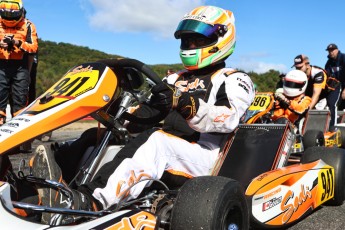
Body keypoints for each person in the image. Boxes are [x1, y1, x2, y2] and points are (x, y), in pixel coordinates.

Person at [29, 5, 255, 223]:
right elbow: (148, 113)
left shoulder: (234, 79)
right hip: (172, 146)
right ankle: (50, 187)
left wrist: (186, 103)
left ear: (222, 38)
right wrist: (119, 114)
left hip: (206, 155)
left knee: (156, 140)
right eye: (188, 40)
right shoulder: (175, 79)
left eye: (199, 39)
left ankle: (89, 203)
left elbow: (229, 118)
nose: (191, 44)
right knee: (95, 135)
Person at [0, 0, 38, 125]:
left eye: (13, 15)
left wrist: (18, 43)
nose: (9, 19)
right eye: (7, 15)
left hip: (20, 67)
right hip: (1, 66)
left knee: (20, 105)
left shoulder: (28, 25)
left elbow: (33, 48)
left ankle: (19, 138)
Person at [291, 54, 339, 126]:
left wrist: (307, 109)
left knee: (331, 104)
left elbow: (316, 94)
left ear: (307, 65)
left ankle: (333, 128)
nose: (298, 70)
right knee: (303, 106)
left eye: (300, 67)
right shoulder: (299, 75)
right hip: (316, 89)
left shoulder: (318, 73)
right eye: (296, 68)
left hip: (332, 89)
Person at [325, 43, 345, 111]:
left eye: (332, 50)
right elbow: (327, 76)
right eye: (329, 51)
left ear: (337, 50)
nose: (331, 52)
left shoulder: (343, 58)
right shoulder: (329, 63)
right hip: (336, 88)